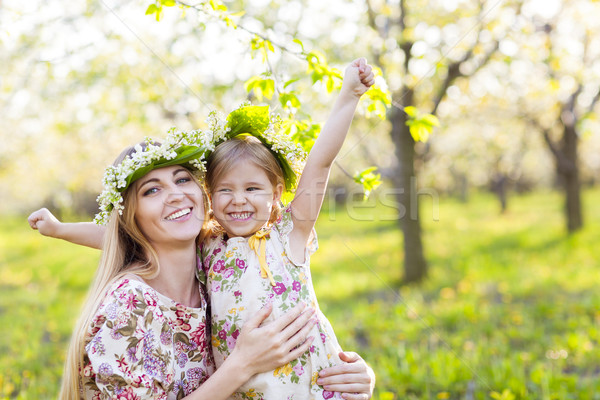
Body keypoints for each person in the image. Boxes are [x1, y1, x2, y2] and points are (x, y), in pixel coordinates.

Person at [34, 134, 324, 399]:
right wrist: (242, 364)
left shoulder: (214, 271)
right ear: (131, 218)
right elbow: (113, 237)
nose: (175, 195)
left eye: (183, 180)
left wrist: (335, 370)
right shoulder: (130, 307)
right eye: (151, 190)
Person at [197, 57, 375, 399]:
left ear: (276, 193)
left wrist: (349, 95)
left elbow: (320, 162)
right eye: (225, 190)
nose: (238, 200)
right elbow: (139, 236)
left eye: (252, 189)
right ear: (209, 195)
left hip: (309, 383)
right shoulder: (206, 246)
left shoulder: (288, 235)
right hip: (247, 388)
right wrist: (61, 231)